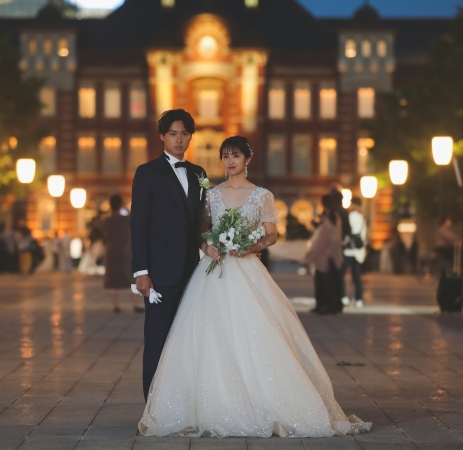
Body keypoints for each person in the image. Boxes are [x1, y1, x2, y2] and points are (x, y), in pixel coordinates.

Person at [138, 136, 371, 438]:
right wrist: (208, 245)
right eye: (224, 156)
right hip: (213, 272)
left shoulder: (262, 195)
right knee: (209, 335)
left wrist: (249, 246)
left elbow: (271, 234)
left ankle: (261, 400)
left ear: (248, 158)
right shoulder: (211, 194)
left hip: (247, 270)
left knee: (254, 332)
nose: (229, 161)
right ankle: (212, 403)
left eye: (235, 155)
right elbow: (202, 229)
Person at [132, 109, 208, 401]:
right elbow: (138, 224)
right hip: (160, 273)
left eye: (185, 134)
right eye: (173, 134)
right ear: (162, 136)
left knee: (187, 339)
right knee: (157, 339)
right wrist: (141, 272)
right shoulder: (148, 172)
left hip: (193, 271)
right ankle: (152, 405)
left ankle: (181, 402)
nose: (179, 140)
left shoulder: (199, 173)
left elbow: (200, 222)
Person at [102, 195, 143, 313]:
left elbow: (105, 236)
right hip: (125, 251)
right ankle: (135, 304)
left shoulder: (106, 221)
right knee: (129, 276)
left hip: (110, 251)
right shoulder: (127, 219)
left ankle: (116, 305)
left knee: (112, 278)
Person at [305, 194, 344, 315]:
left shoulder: (327, 219)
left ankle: (325, 305)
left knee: (323, 282)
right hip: (334, 253)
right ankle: (330, 305)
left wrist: (311, 256)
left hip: (325, 254)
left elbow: (322, 239)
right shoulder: (335, 217)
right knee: (332, 281)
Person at [342, 197, 367, 308]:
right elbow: (364, 235)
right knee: (357, 277)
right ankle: (359, 299)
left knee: (341, 274)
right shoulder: (362, 218)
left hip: (348, 250)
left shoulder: (349, 216)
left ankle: (343, 297)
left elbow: (346, 232)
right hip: (358, 251)